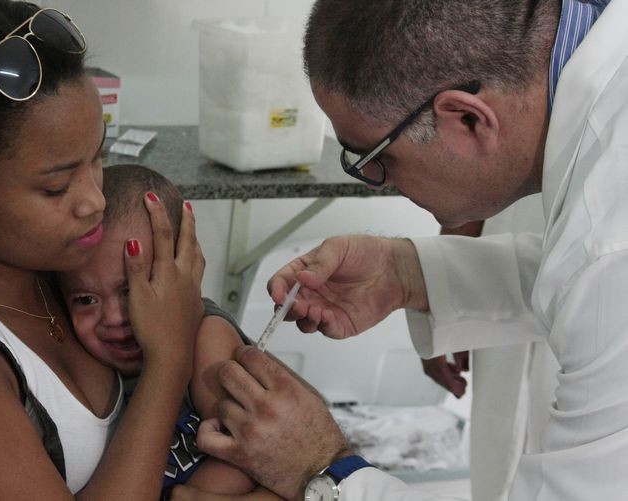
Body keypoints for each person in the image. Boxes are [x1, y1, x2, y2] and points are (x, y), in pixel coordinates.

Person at [192, 0, 628, 499]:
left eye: (374, 158)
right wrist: (406, 272)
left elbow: (599, 272)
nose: (376, 184)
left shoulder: (612, 246)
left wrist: (322, 469)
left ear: (466, 119)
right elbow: (577, 276)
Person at [0, 1, 205, 499]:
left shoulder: (55, 258)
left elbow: (182, 312)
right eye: (55, 188)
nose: (94, 201)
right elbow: (172, 335)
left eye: (97, 157)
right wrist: (170, 361)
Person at [58, 164, 283, 500]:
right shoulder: (77, 356)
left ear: (184, 268)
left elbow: (248, 456)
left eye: (135, 289)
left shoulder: (207, 339)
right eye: (86, 299)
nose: (115, 317)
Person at [408, 194, 560, 501]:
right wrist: (442, 304)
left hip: (602, 287)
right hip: (502, 254)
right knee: (500, 443)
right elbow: (476, 173)